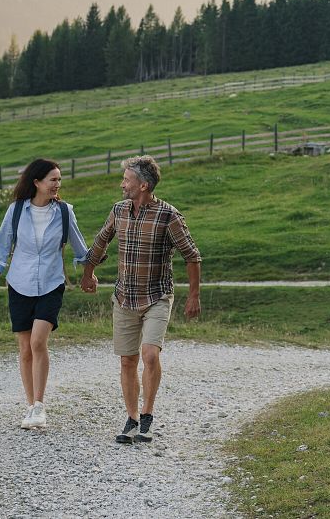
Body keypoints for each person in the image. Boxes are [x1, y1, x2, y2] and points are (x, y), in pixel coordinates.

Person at [80, 154, 201, 444]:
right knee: (127, 360)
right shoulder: (119, 211)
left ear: (143, 185)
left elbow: (192, 256)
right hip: (124, 297)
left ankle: (147, 415)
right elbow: (100, 241)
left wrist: (193, 295)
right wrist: (88, 273)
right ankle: (132, 419)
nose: (122, 184)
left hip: (157, 296)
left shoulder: (168, 216)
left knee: (149, 354)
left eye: (127, 180)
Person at [0, 158, 90, 430]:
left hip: (51, 283)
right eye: (52, 179)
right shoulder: (16, 210)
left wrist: (89, 272)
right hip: (19, 283)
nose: (57, 184)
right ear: (37, 182)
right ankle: (31, 406)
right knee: (24, 348)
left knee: (38, 342)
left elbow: (81, 249)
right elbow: (2, 246)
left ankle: (40, 406)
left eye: (59, 179)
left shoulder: (65, 212)